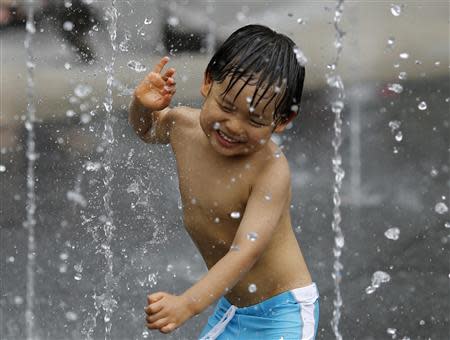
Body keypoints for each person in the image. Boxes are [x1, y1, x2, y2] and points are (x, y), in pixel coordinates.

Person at [129, 24, 319, 339]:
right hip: (234, 307)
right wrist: (142, 106)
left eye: (256, 120)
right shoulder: (183, 126)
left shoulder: (270, 171)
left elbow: (244, 252)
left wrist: (187, 305)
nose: (233, 126)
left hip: (282, 314)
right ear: (207, 83)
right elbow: (147, 131)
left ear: (282, 121)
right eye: (227, 106)